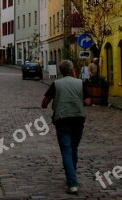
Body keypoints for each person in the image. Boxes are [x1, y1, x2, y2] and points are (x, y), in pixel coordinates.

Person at [41, 59, 91, 195]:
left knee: (66, 151)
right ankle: (72, 176)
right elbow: (87, 101)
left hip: (62, 120)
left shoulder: (56, 84)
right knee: (74, 148)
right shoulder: (80, 83)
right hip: (77, 120)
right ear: (72, 70)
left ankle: (72, 182)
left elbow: (44, 103)